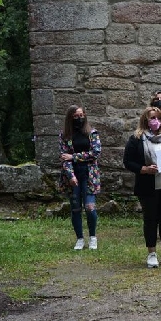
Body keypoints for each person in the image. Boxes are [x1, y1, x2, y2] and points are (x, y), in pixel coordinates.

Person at [123, 107, 161, 267]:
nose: (154, 121)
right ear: (145, 120)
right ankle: (151, 253)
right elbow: (128, 161)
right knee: (150, 220)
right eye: (151, 118)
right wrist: (144, 169)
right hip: (148, 186)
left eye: (157, 117)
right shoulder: (137, 138)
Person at [59, 105, 101, 251]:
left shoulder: (92, 133)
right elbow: (64, 157)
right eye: (76, 116)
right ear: (70, 118)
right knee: (76, 208)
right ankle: (79, 238)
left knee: (90, 207)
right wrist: (70, 175)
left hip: (89, 175)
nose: (79, 119)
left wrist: (74, 156)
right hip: (73, 176)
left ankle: (93, 237)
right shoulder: (65, 135)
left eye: (81, 115)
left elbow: (95, 152)